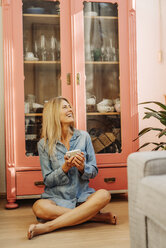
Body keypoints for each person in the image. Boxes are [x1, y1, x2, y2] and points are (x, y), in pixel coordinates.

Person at [28, 97, 117, 239]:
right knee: (38, 207)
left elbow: (93, 171)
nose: (70, 109)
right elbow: (48, 181)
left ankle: (47, 227)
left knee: (104, 195)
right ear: (53, 114)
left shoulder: (84, 136)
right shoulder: (43, 144)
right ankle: (94, 217)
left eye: (69, 106)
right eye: (64, 107)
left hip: (82, 197)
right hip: (56, 199)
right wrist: (64, 168)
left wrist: (82, 167)